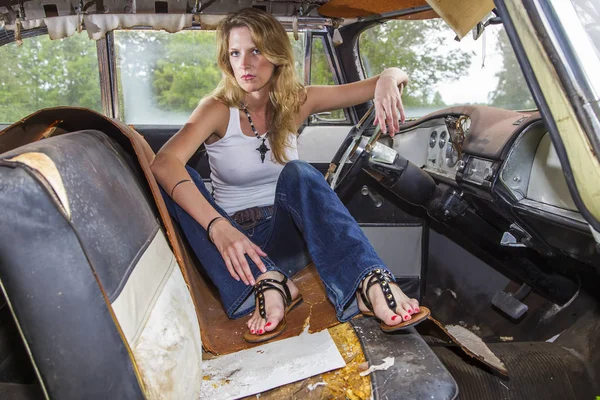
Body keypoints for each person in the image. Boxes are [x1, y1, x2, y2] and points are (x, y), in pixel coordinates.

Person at [151, 7, 429, 343]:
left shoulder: (298, 100)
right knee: (177, 184)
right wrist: (218, 227)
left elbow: (393, 74)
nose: (245, 64)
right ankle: (270, 281)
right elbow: (163, 162)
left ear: (276, 54)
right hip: (236, 246)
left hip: (286, 235)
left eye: (256, 51)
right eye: (235, 53)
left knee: (300, 173)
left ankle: (366, 281)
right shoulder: (216, 108)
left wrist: (386, 81)